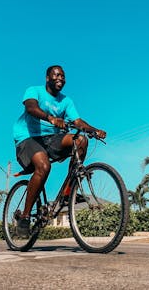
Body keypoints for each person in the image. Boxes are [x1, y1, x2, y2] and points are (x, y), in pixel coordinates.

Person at [13, 65, 106, 237]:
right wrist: (51, 118)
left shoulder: (66, 101)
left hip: (51, 140)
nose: (60, 79)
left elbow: (77, 122)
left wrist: (94, 130)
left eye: (63, 76)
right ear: (47, 78)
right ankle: (25, 217)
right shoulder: (34, 91)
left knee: (80, 140)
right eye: (56, 75)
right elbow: (31, 108)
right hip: (28, 138)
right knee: (44, 166)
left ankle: (67, 193)